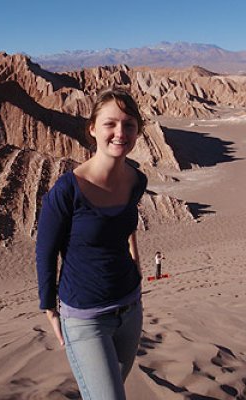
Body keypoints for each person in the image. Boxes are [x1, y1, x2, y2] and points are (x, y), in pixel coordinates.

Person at [36, 88, 148, 400]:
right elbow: (45, 251)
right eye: (110, 124)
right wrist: (49, 308)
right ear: (92, 128)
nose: (120, 133)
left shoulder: (137, 180)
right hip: (86, 319)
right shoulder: (67, 190)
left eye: (129, 125)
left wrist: (137, 271)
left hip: (130, 308)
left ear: (138, 130)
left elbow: (127, 227)